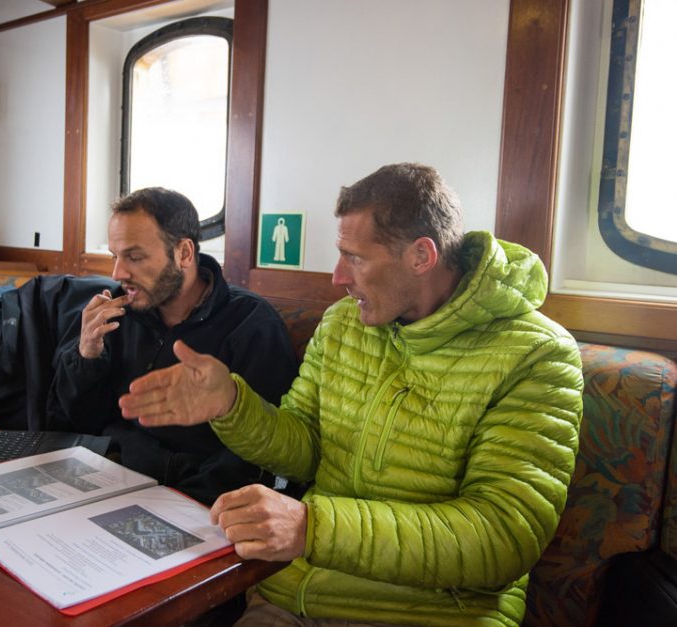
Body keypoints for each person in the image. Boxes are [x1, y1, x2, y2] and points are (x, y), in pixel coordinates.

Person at [118, 164, 584, 625]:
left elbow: (501, 537)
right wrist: (233, 406)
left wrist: (313, 529)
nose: (338, 276)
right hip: (294, 594)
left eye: (355, 258)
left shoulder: (537, 355)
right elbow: (303, 450)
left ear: (421, 256)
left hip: (431, 612)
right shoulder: (345, 324)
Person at [52, 187, 298, 505]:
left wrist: (179, 504)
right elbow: (83, 420)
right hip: (110, 481)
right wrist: (87, 355)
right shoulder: (118, 311)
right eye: (115, 256)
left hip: (198, 503)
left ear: (183, 253)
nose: (117, 273)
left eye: (135, 257)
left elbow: (260, 456)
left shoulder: (252, 325)